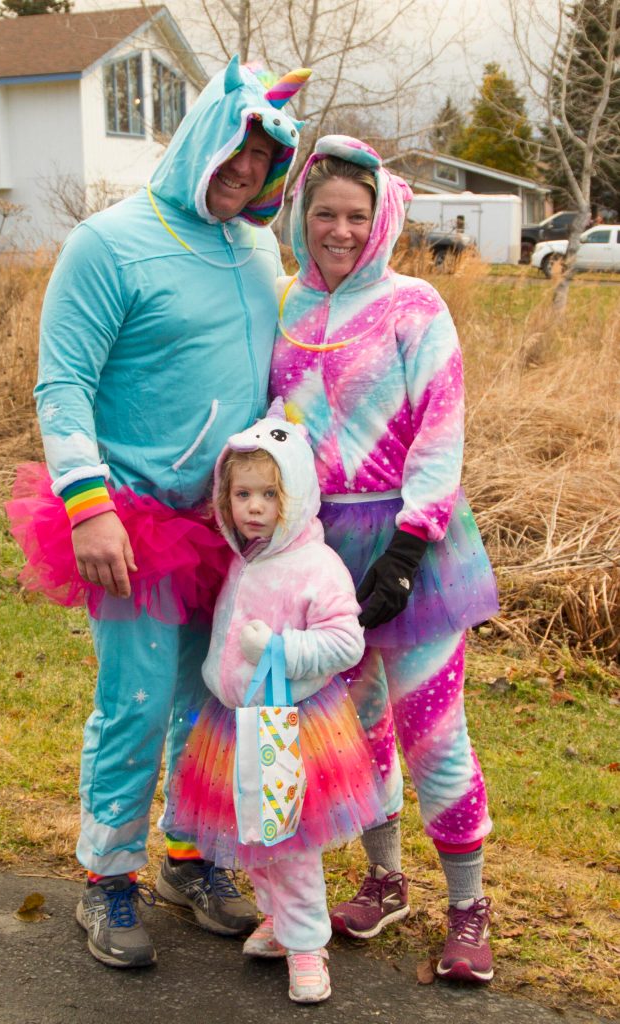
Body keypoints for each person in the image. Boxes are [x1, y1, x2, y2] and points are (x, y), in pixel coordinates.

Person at [6, 56, 312, 969]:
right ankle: (106, 881)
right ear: (199, 139)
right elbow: (61, 383)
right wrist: (88, 506)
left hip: (230, 527)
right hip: (130, 521)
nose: (246, 169)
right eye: (237, 146)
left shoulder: (258, 248)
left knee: (211, 703)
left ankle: (191, 857)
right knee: (135, 705)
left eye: (264, 157)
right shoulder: (107, 242)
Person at [270, 135, 500, 983]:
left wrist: (407, 545)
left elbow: (441, 428)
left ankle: (468, 907)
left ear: (380, 221)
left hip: (415, 554)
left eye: (354, 216)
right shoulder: (287, 306)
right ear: (301, 217)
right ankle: (383, 878)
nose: (338, 229)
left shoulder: (415, 306)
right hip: (319, 555)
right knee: (355, 728)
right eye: (323, 214)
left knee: (434, 734)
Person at [162, 403, 388, 1003]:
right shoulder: (246, 557)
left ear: (298, 494)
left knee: (288, 844)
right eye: (242, 494)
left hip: (290, 726)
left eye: (269, 493)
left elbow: (346, 641)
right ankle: (279, 922)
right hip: (234, 720)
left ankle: (309, 944)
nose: (254, 507)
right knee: (252, 838)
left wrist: (283, 649)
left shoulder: (317, 565)